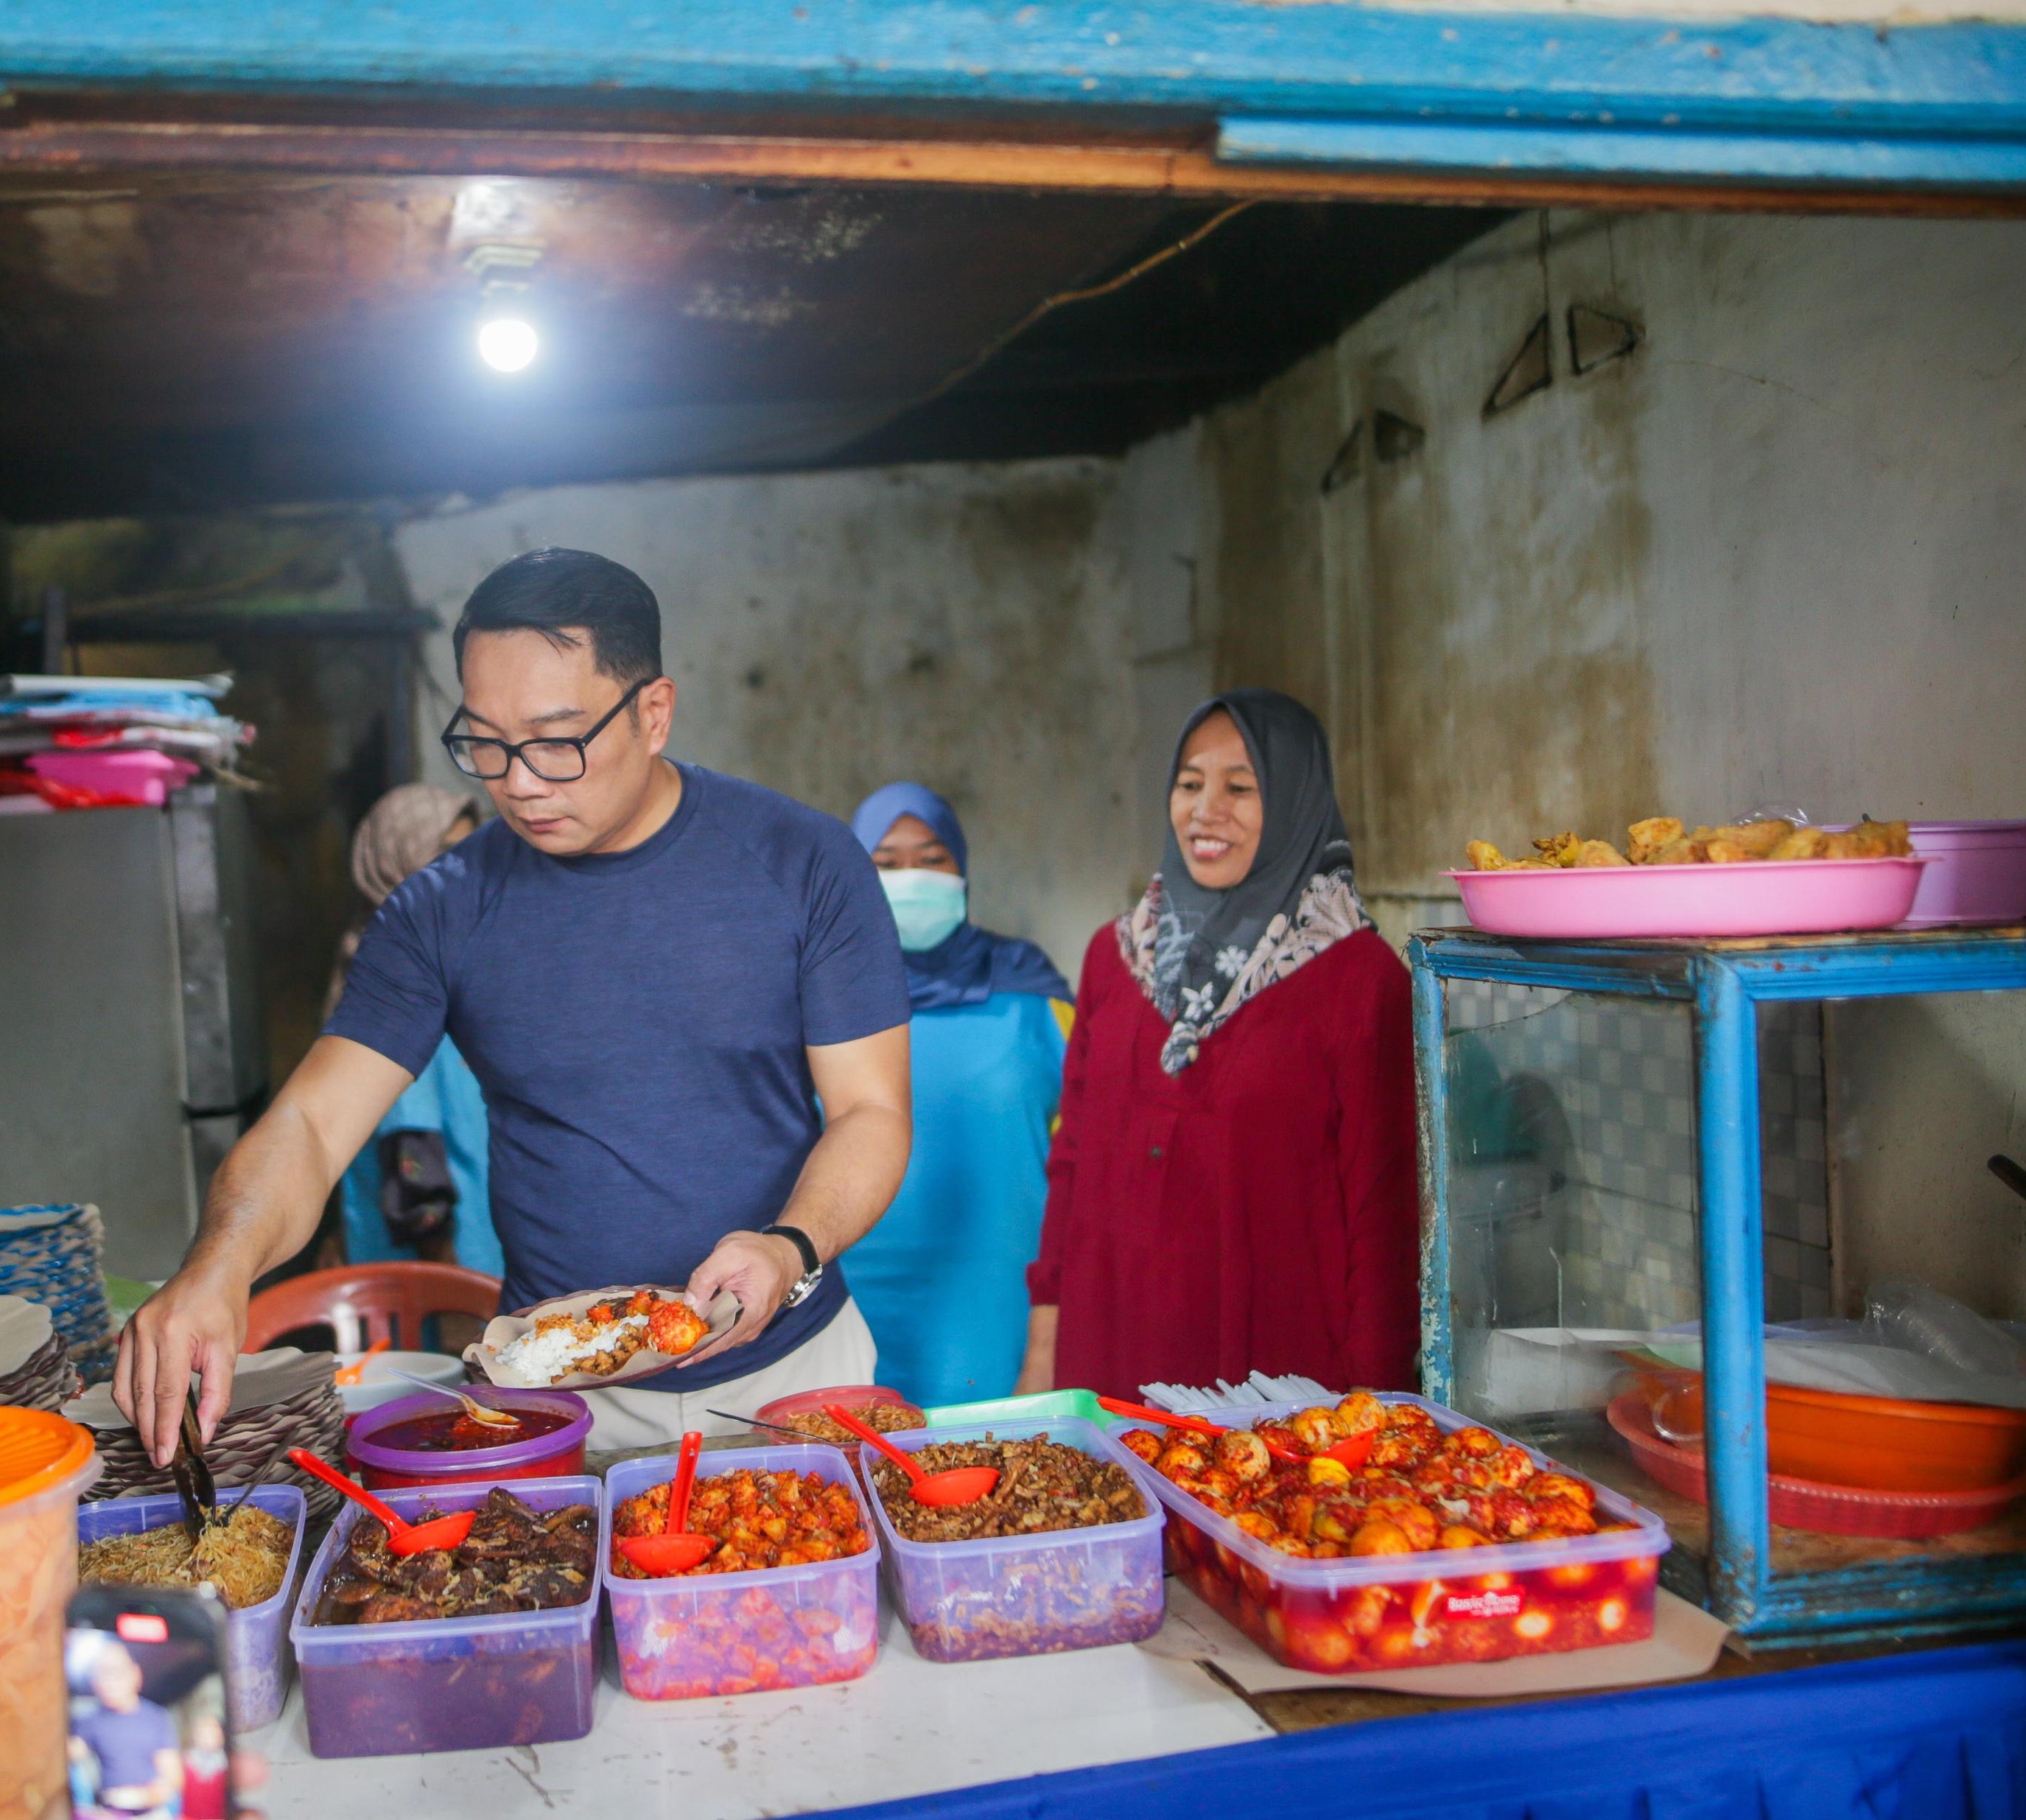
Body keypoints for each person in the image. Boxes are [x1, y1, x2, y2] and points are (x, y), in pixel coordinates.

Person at [119, 548, 914, 1455]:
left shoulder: (803, 863)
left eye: (555, 739)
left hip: (795, 1372)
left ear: (654, 712)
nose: (519, 780)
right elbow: (310, 1125)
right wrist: (218, 1268)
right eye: (485, 742)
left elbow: (871, 1111)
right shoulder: (443, 909)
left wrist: (790, 1247)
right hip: (558, 1400)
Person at [1020, 692, 1416, 1399]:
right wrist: (1044, 1358)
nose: (1207, 810)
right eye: (1189, 783)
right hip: (1106, 1359)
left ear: (1296, 801)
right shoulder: (1115, 960)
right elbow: (1071, 1161)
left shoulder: (1361, 981)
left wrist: (1375, 1409)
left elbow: (1384, 1220)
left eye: (1242, 787)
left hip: (1275, 1393)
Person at [846, 782, 1072, 1407]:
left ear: (963, 869)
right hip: (848, 1309)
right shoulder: (822, 995)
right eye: (885, 863)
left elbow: (1092, 1152)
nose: (911, 876)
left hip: (997, 1309)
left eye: (932, 857)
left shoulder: (1033, 995)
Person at [326, 784, 502, 1279]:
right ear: (396, 863)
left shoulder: (448, 958)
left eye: (471, 851)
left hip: (477, 1264)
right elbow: (412, 1160)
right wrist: (449, 1293)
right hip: (439, 1281)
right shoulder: (399, 976)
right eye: (444, 856)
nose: (465, 872)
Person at [66, 1639, 180, 1818]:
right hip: (111, 1813)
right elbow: (68, 1755)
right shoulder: (90, 1720)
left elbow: (173, 1777)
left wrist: (144, 1796)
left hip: (152, 1814)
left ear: (135, 1674)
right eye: (102, 1674)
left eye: (116, 1673)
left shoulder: (156, 1717)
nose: (108, 1682)